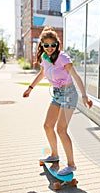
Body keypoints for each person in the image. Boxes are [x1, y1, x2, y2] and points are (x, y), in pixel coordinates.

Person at [23, 26, 93, 175]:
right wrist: (30, 88)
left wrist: (85, 96)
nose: (49, 48)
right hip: (56, 94)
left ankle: (71, 165)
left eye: (52, 45)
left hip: (69, 94)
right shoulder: (45, 58)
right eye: (46, 45)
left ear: (57, 44)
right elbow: (42, 74)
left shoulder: (63, 58)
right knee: (48, 126)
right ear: (42, 45)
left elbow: (76, 76)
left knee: (61, 130)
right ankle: (54, 155)